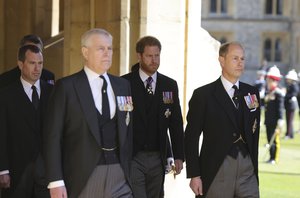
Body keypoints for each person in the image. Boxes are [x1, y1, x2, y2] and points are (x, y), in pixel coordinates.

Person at [43, 28, 133, 198]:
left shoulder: (123, 85)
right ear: (85, 52)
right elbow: (52, 137)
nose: (107, 54)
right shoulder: (66, 87)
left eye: (110, 48)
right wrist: (56, 181)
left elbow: (128, 130)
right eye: (100, 49)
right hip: (83, 177)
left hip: (120, 175)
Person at [185, 42, 260, 197]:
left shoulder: (251, 92)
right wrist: (195, 175)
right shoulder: (203, 95)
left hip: (247, 170)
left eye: (242, 59)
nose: (240, 63)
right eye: (235, 58)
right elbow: (191, 138)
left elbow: (254, 132)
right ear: (221, 60)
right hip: (217, 169)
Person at [122, 36, 184, 198]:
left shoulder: (169, 85)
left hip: (158, 157)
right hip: (133, 157)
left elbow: (176, 123)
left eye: (157, 56)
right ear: (139, 56)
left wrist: (178, 156)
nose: (154, 60)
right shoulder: (124, 84)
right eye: (149, 56)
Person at [0, 45, 53, 197]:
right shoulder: (5, 95)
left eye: (40, 63)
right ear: (20, 64)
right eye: (32, 63)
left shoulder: (53, 93)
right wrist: (3, 169)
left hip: (46, 171)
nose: (37, 68)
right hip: (17, 170)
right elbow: (1, 134)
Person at [264, 65, 284, 164]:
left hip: (275, 121)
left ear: (274, 81)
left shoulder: (278, 93)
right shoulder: (269, 92)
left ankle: (274, 158)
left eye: (269, 80)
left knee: (275, 140)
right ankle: (271, 156)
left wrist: (280, 119)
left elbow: (280, 108)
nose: (268, 82)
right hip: (268, 120)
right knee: (269, 139)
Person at [284, 69, 299, 139]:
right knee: (288, 120)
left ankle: (289, 134)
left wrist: (285, 95)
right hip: (288, 105)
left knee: (290, 120)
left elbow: (294, 94)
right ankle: (289, 133)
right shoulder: (289, 85)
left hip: (291, 105)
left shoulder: (294, 86)